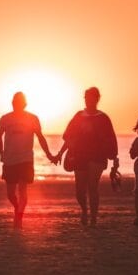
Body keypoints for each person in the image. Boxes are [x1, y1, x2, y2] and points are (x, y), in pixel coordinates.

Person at [54, 87, 119, 226]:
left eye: (92, 97)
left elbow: (111, 138)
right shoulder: (79, 116)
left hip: (98, 157)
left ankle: (93, 218)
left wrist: (114, 158)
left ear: (97, 99)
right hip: (79, 156)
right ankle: (84, 210)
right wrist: (60, 153)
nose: (89, 100)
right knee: (80, 190)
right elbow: (69, 138)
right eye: (86, 97)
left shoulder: (103, 118)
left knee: (92, 186)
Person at [0, 92, 55, 228]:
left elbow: (40, 137)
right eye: (15, 101)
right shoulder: (5, 118)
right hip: (10, 159)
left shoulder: (32, 118)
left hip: (26, 159)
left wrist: (49, 154)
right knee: (10, 194)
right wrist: (1, 153)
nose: (17, 103)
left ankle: (19, 216)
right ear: (12, 103)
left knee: (23, 190)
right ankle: (17, 208)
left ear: (24, 103)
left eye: (20, 101)